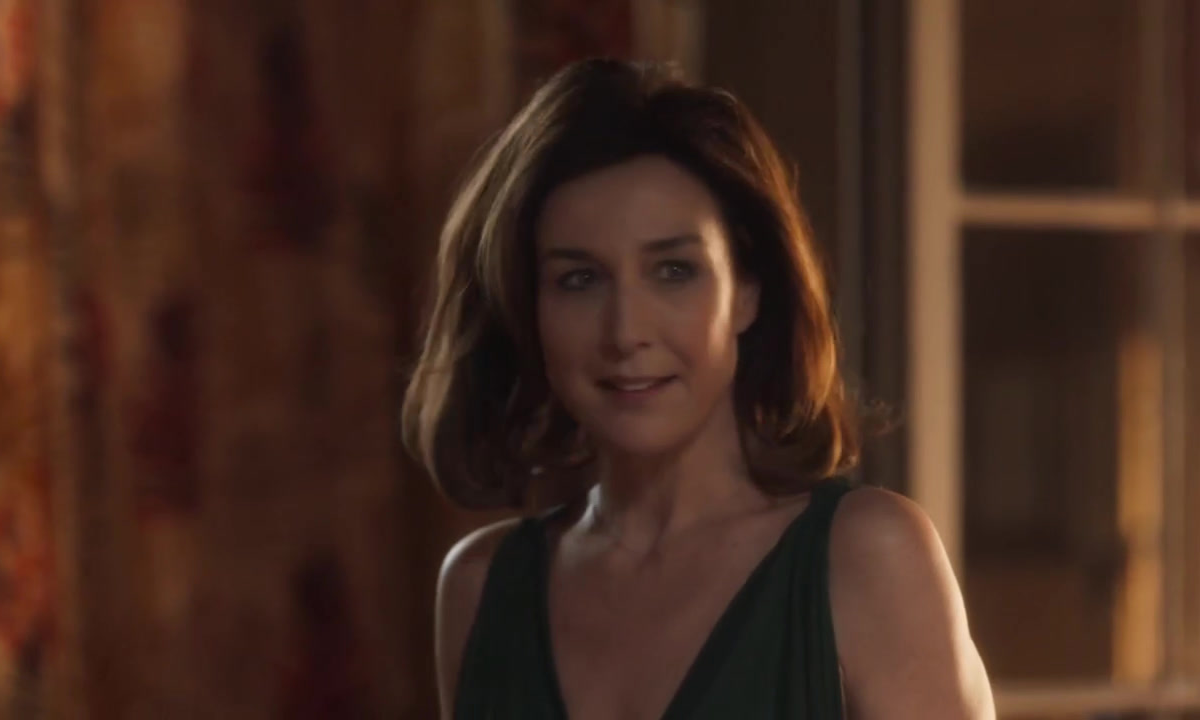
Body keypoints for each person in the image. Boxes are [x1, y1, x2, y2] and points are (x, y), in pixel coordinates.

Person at [402, 58, 993, 719]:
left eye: (674, 271)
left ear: (746, 291)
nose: (626, 331)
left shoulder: (867, 557)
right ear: (528, 309)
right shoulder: (481, 587)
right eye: (579, 280)